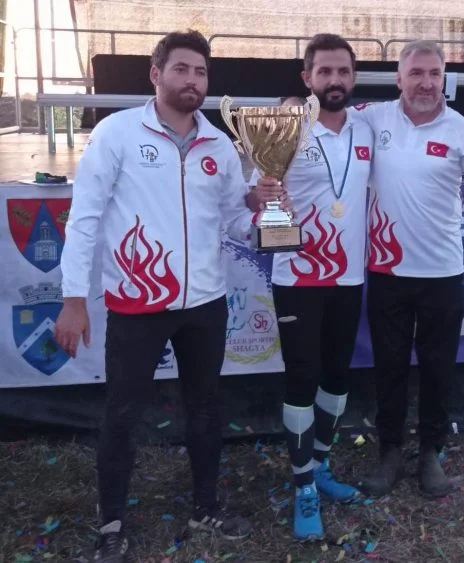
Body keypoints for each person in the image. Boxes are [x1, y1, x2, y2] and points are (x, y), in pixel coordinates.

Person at [54, 30, 254, 562]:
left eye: (201, 72)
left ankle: (206, 507)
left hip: (205, 302)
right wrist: (74, 298)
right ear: (156, 74)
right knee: (122, 414)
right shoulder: (117, 133)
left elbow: (235, 222)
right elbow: (85, 219)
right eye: (182, 69)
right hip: (136, 303)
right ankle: (111, 525)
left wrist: (267, 216)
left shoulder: (219, 145)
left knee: (205, 408)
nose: (192, 80)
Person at [352, 40, 464, 498]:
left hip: (442, 273)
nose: (426, 83)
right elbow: (326, 123)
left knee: (437, 368)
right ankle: (390, 450)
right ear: (399, 78)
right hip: (387, 271)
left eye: (434, 74)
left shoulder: (459, 127)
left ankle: (431, 450)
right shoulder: (372, 119)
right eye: (416, 73)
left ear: (444, 80)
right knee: (390, 368)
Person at [246, 33, 373, 542]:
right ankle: (302, 487)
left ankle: (319, 466)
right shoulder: (286, 126)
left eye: (343, 71)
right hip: (297, 275)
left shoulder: (367, 127)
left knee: (337, 376)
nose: (334, 80)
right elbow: (252, 196)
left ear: (354, 76)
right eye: (324, 72)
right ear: (307, 77)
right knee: (302, 376)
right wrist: (261, 194)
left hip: (349, 275)